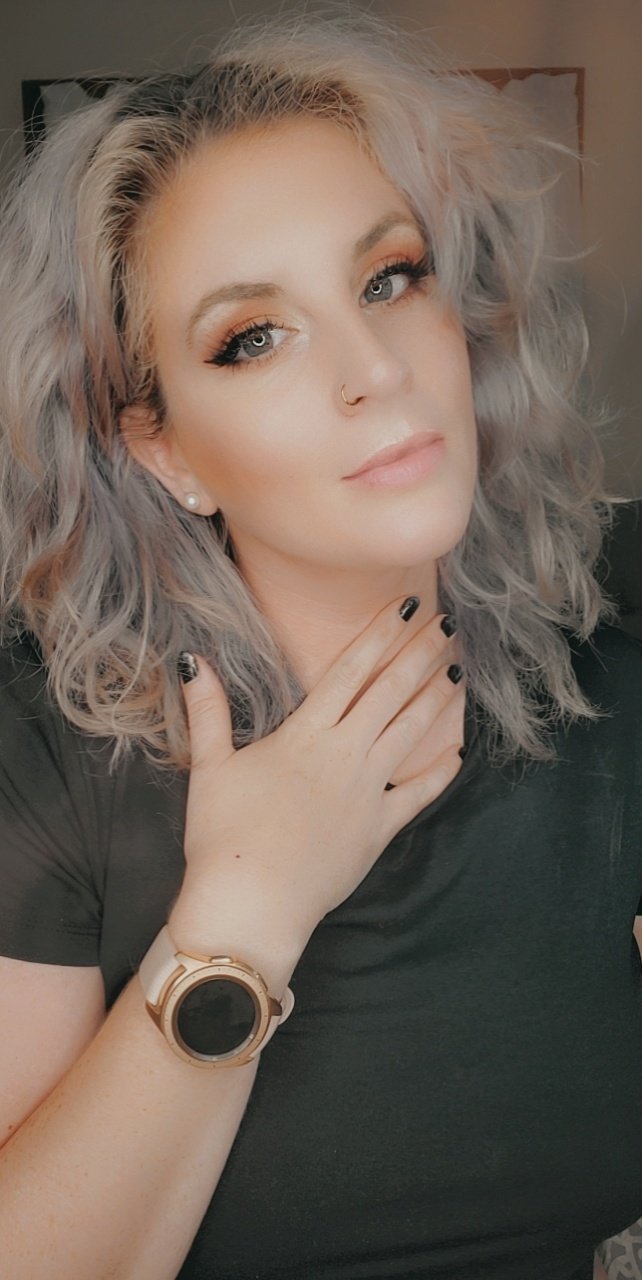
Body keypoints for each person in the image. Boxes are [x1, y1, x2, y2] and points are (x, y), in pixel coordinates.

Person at [0, 8, 639, 1279]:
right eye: (253, 336)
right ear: (164, 450)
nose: (375, 369)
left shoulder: (612, 711)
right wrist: (247, 908)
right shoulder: (45, 768)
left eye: (390, 278)